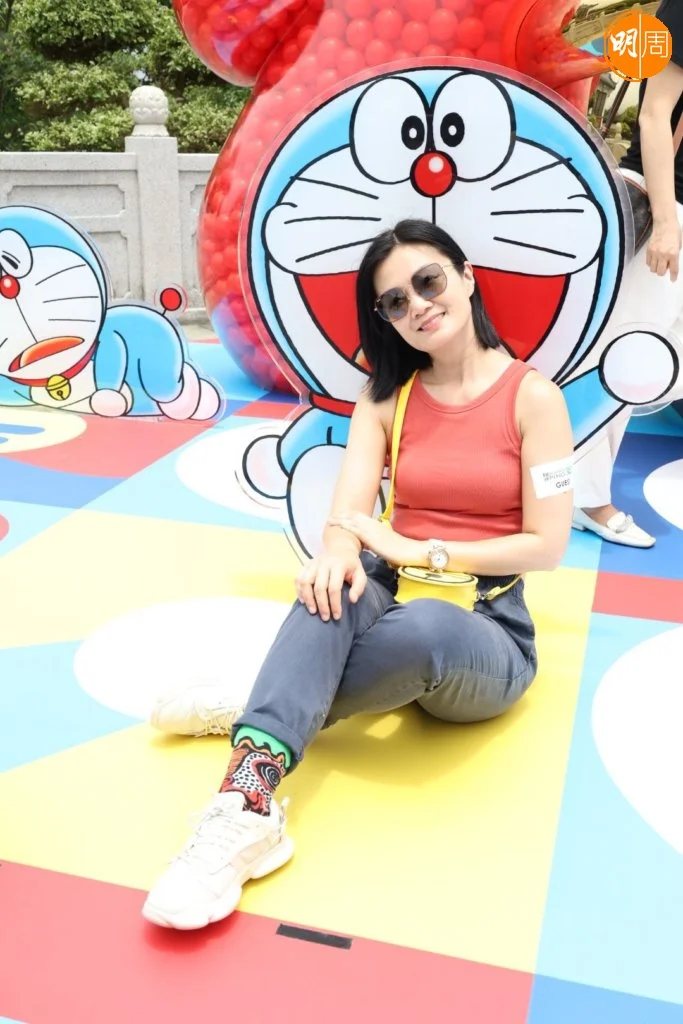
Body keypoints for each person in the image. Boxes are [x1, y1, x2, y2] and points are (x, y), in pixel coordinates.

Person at [142, 219, 574, 931]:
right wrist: (339, 549)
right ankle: (246, 805)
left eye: (428, 281)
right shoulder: (385, 397)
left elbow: (547, 546)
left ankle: (265, 705)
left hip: (486, 627)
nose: (418, 305)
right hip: (386, 590)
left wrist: (421, 551)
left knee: (427, 625)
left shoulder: (535, 399)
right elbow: (347, 514)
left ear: (466, 276)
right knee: (328, 590)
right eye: (395, 302)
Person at [572, 0, 683, 548]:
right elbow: (655, 115)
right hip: (670, 208)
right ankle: (585, 497)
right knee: (623, 356)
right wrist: (665, 222)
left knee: (656, 356)